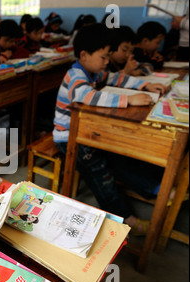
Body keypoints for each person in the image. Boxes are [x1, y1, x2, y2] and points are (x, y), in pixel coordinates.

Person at [53, 24, 166, 236]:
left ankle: (154, 187)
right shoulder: (76, 74)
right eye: (104, 57)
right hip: (68, 137)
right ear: (84, 55)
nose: (107, 62)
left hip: (87, 131)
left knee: (118, 155)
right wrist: (128, 99)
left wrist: (144, 86)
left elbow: (117, 78)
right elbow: (86, 96)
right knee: (100, 171)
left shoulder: (94, 71)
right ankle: (126, 218)